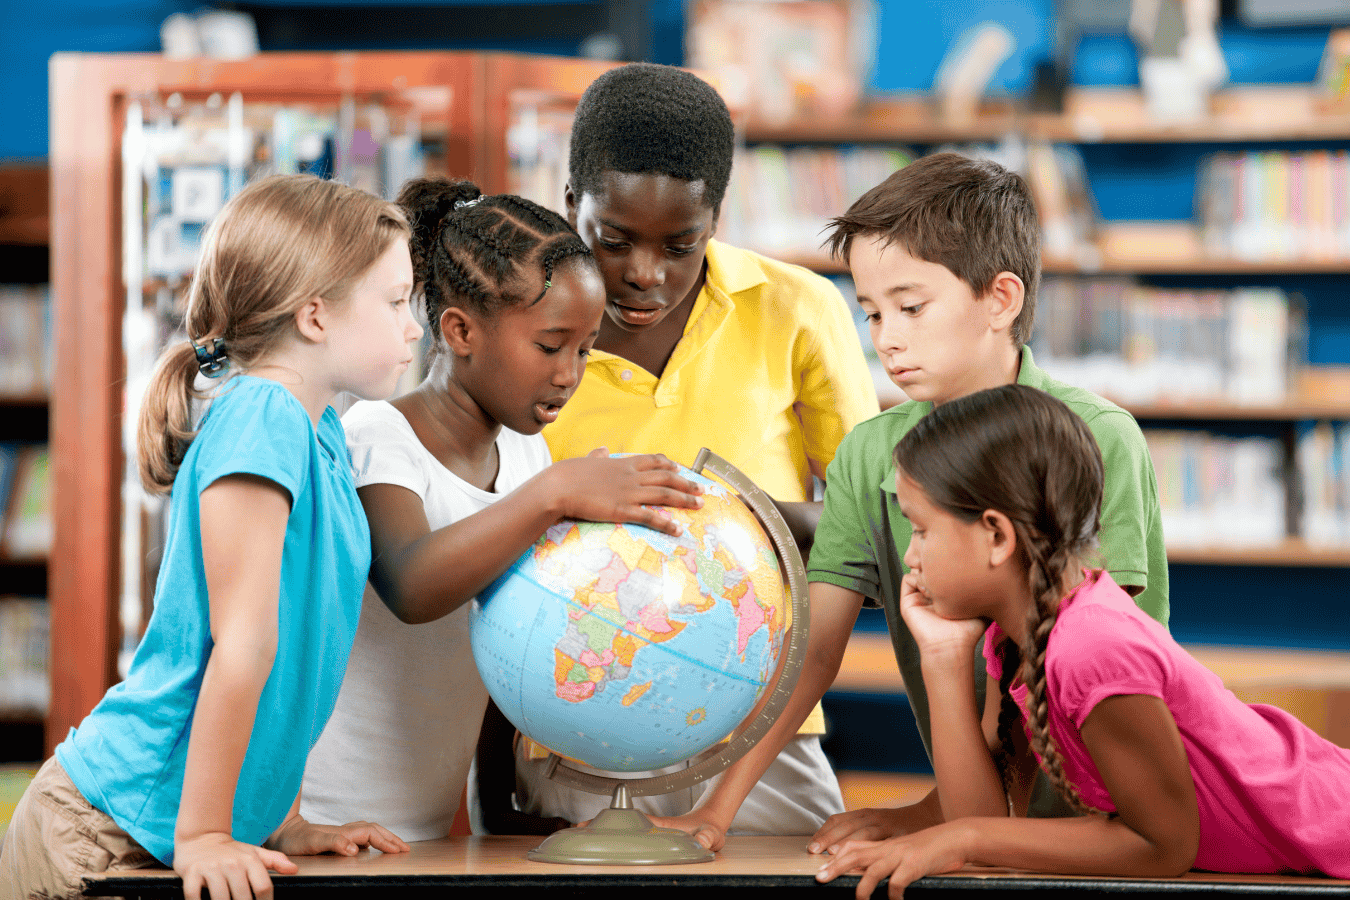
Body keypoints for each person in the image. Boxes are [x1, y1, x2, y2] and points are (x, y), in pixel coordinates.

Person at [659, 151, 1171, 852]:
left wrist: (948, 822)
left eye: (911, 307)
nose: (887, 339)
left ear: (1001, 298)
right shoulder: (871, 453)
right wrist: (715, 812)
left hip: (1114, 826)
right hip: (984, 818)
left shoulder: (1097, 436)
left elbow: (1077, 654)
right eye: (870, 313)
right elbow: (812, 655)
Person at [475, 61, 879, 837]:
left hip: (759, 727)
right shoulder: (518, 334)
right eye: (613, 240)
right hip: (567, 716)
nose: (644, 273)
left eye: (680, 243)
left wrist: (732, 522)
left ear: (718, 218)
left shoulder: (798, 311)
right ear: (569, 206)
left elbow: (869, 530)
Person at [0, 173, 422, 900]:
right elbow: (244, 643)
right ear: (315, 316)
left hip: (179, 831)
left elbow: (297, 655)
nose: (413, 325)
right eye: (393, 303)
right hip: (105, 832)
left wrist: (278, 820)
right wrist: (205, 835)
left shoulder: (317, 426)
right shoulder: (263, 415)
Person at [816, 384, 1350, 898]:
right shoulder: (1017, 635)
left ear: (997, 537)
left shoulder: (1092, 647)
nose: (910, 557)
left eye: (922, 529)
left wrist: (962, 839)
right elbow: (979, 813)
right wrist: (941, 657)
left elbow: (1163, 846)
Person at [298, 176, 704, 843]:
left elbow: (504, 645)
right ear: (460, 331)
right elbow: (410, 582)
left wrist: (495, 805)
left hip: (421, 828)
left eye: (585, 348)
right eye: (549, 346)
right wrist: (554, 497)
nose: (569, 373)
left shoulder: (525, 460)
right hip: (321, 817)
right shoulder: (377, 435)